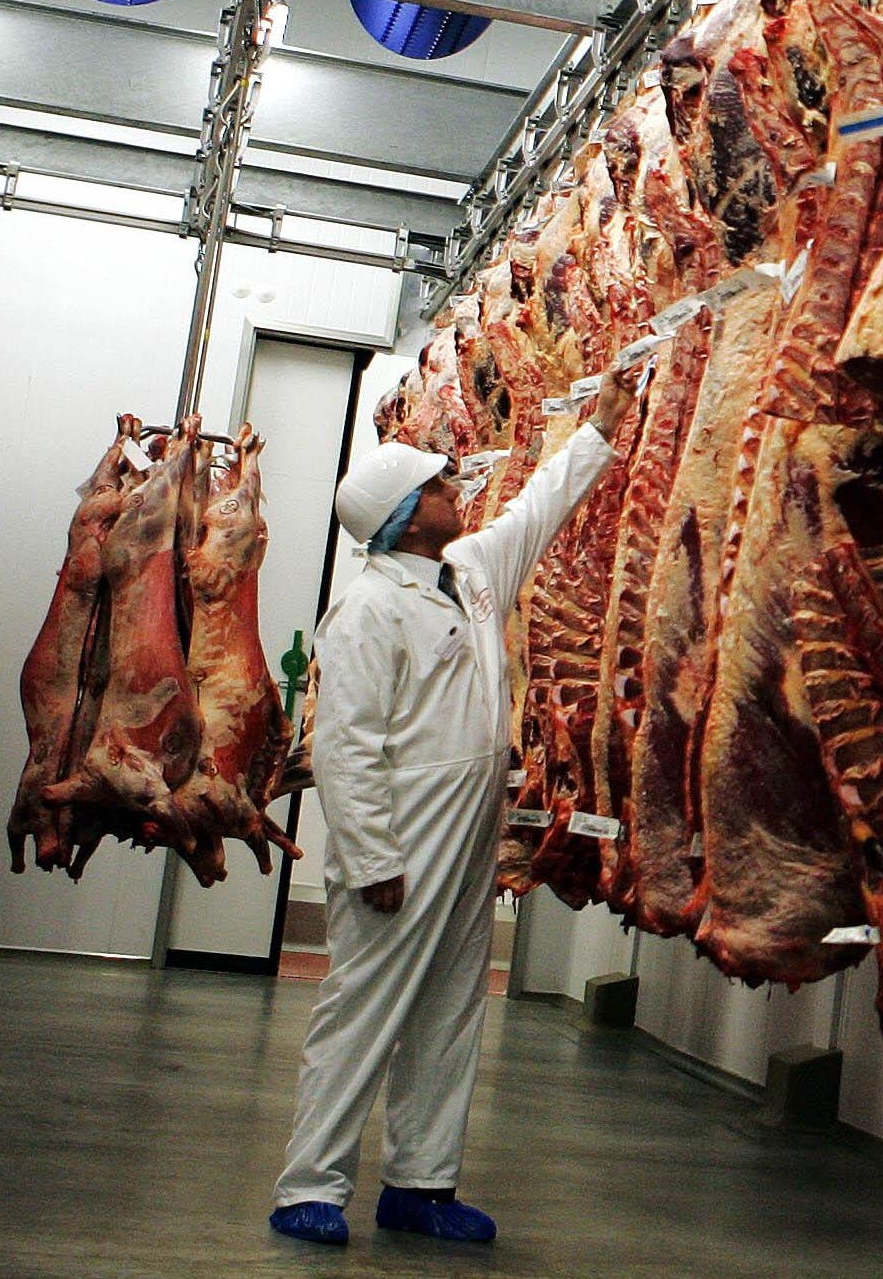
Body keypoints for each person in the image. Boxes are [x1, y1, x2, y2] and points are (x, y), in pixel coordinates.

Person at [267, 370, 636, 1247]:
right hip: (400, 835)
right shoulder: (363, 612)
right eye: (434, 486)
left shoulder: (468, 573)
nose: (451, 491)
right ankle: (307, 1185)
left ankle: (421, 1183)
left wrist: (603, 428)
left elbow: (535, 512)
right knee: (365, 1008)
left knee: (450, 1009)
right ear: (402, 514)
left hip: (467, 833)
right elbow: (343, 747)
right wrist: (370, 858)